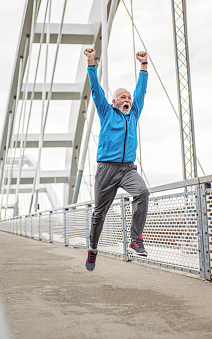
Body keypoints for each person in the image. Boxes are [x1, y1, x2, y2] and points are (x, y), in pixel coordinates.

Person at [84, 47, 150, 271]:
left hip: (127, 169)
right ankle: (93, 248)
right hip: (106, 169)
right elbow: (95, 90)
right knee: (99, 213)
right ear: (114, 102)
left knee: (142, 192)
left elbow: (141, 90)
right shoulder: (106, 112)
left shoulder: (134, 113)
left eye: (129, 97)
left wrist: (143, 66)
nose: (128, 99)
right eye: (123, 96)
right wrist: (91, 62)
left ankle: (135, 239)